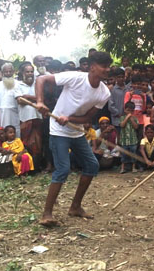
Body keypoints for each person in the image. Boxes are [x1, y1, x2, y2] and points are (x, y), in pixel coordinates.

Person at [34, 51, 113, 226]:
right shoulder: (75, 77)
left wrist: (69, 119)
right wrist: (39, 101)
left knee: (92, 165)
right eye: (104, 66)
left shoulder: (104, 93)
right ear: (92, 67)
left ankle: (75, 207)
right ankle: (47, 214)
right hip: (58, 130)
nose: (107, 70)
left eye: (109, 66)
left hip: (76, 131)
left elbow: (87, 118)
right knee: (63, 169)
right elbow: (41, 79)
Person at [14, 63, 43, 159]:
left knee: (38, 141)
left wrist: (27, 97)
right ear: (22, 73)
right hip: (25, 118)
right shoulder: (18, 85)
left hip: (38, 117)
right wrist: (36, 99)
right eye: (27, 72)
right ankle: (28, 164)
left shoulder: (38, 84)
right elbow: (20, 100)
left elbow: (42, 99)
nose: (30, 74)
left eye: (31, 71)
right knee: (27, 141)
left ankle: (38, 164)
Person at [0, 63, 20, 132]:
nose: (8, 73)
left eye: (10, 71)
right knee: (4, 130)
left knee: (15, 130)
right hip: (2, 111)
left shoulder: (18, 83)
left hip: (15, 111)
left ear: (13, 72)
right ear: (2, 72)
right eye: (6, 72)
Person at [119, 102, 140, 173]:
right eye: (128, 110)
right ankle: (123, 168)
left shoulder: (135, 118)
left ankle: (133, 167)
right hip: (124, 141)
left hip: (133, 140)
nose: (129, 112)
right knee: (124, 155)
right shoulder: (122, 118)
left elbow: (136, 127)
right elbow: (122, 125)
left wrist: (131, 119)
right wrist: (127, 117)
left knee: (133, 154)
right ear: (125, 110)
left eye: (131, 110)